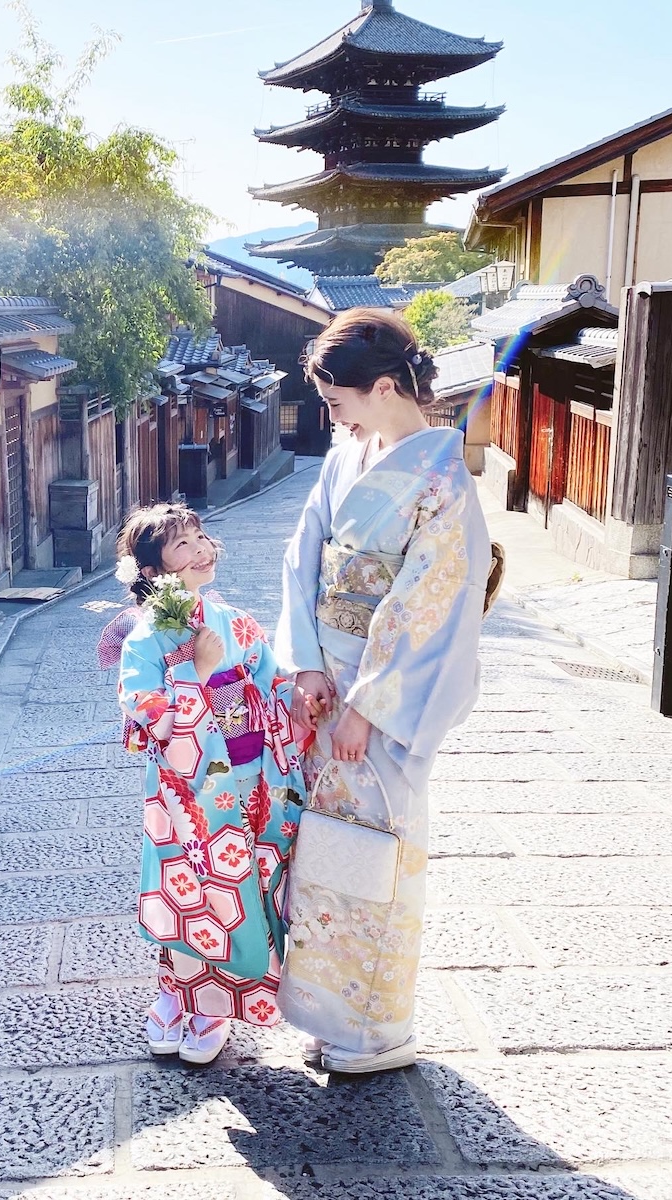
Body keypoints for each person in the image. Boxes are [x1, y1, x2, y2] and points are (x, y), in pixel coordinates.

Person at [273, 309, 492, 1074]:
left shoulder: (443, 480)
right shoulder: (346, 456)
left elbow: (428, 604)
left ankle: (376, 1029)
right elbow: (304, 557)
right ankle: (327, 1013)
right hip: (326, 695)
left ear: (387, 387)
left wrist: (366, 706)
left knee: (375, 856)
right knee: (323, 855)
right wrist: (305, 663)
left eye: (339, 402)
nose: (334, 418)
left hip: (378, 707)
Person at [109, 502, 306, 1065]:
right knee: (189, 888)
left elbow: (272, 680)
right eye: (183, 544)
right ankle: (177, 994)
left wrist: (302, 697)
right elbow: (143, 707)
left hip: (250, 779)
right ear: (153, 571)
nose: (200, 549)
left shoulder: (235, 620)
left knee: (244, 886)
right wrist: (193, 673)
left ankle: (213, 1005)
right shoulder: (146, 636)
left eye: (200, 537)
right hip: (185, 791)